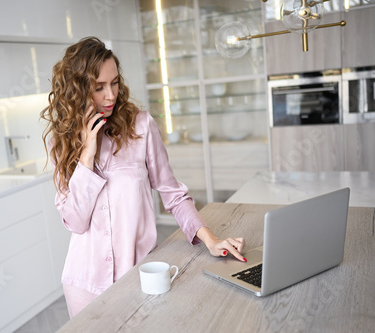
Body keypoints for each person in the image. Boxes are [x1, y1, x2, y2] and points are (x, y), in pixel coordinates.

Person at [40, 36, 246, 318]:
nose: (111, 95)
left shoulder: (140, 126)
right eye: (99, 87)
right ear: (77, 90)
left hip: (139, 276)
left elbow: (173, 194)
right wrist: (86, 154)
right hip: (83, 283)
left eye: (114, 83)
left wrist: (210, 240)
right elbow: (75, 221)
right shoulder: (61, 142)